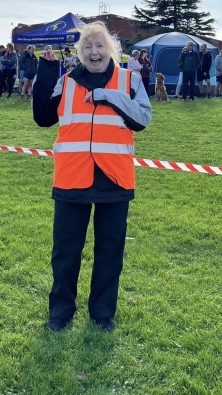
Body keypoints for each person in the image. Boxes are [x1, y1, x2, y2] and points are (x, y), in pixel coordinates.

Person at [32, 22, 152, 333]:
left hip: (114, 179)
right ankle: (60, 313)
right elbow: (43, 117)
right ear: (79, 52)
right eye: (87, 46)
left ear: (111, 50)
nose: (93, 51)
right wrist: (46, 70)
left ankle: (102, 315)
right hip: (72, 177)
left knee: (110, 252)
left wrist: (108, 96)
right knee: (65, 251)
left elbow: (142, 120)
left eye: (99, 45)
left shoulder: (129, 80)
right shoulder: (67, 80)